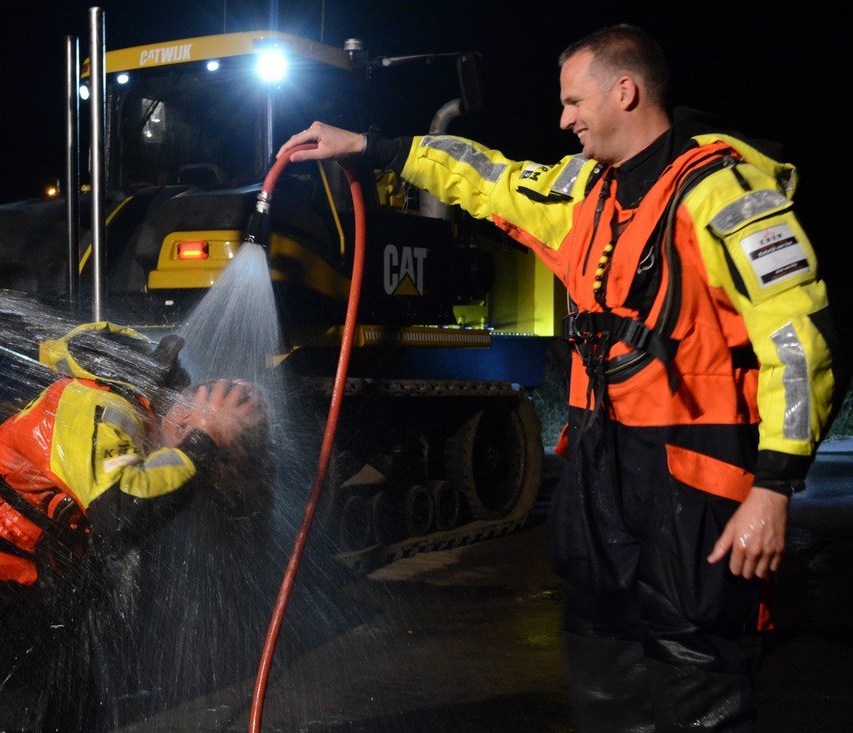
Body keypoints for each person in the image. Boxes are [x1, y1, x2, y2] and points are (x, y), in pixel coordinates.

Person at [277, 23, 847, 732]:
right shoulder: (584, 192)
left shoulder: (723, 194)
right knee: (601, 653)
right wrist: (377, 147)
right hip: (599, 467)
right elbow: (489, 178)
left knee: (695, 668)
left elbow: (800, 340)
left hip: (695, 476)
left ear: (625, 91)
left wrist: (773, 485)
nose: (564, 119)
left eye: (574, 101)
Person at [0, 321, 267, 732]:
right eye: (220, 450)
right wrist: (205, 441)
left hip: (27, 591)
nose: (212, 466)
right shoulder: (100, 407)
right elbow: (124, 511)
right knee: (17, 720)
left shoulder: (121, 420)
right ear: (184, 417)